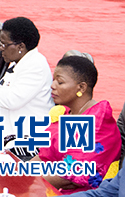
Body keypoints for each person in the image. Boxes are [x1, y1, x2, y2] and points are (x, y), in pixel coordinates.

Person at [36, 56, 121, 194]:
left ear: (81, 87)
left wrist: (27, 182)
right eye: (53, 80)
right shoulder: (67, 113)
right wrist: (17, 174)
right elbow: (44, 156)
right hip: (48, 186)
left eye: (60, 82)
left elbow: (71, 176)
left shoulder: (97, 120)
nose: (52, 86)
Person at [0, 17, 53, 141]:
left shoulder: (35, 66)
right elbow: (4, 89)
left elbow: (11, 99)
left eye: (4, 44)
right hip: (11, 129)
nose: (1, 48)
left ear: (20, 46)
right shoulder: (21, 61)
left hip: (27, 137)